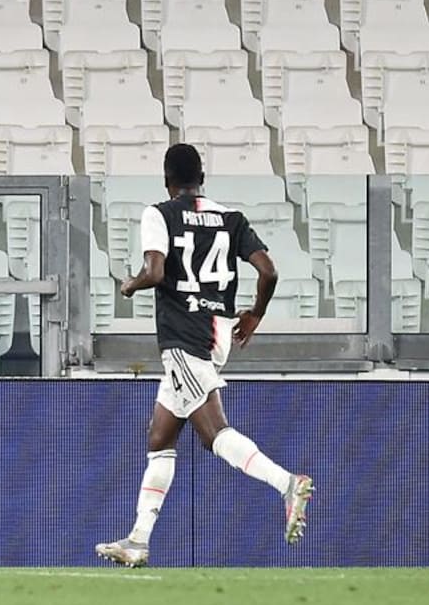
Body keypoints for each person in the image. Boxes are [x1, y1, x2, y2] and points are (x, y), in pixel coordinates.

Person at [94, 144, 314, 568]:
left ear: (166, 179)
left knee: (214, 433)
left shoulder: (159, 214)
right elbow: (268, 271)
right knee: (160, 438)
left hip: (183, 337)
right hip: (217, 332)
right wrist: (255, 314)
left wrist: (130, 285)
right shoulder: (231, 218)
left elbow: (155, 272)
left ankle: (287, 483)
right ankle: (138, 540)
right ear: (202, 178)